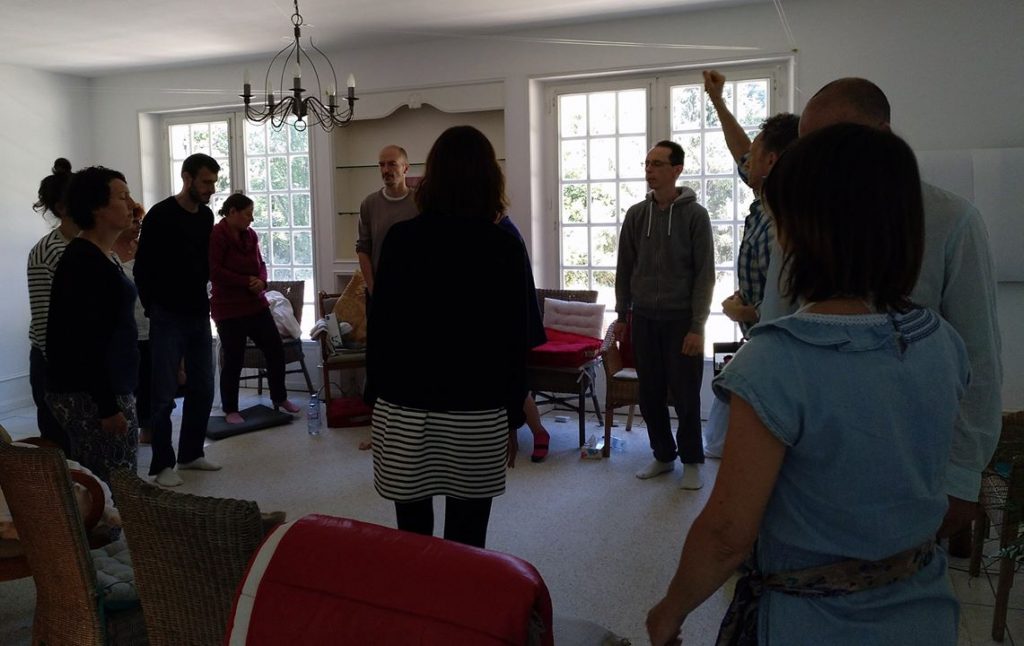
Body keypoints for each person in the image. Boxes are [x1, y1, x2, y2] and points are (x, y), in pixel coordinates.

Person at [647, 124, 969, 646]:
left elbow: (727, 534)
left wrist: (670, 611)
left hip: (815, 623)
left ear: (797, 231)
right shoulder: (940, 340)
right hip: (925, 611)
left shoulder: (776, 360)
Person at [758, 78, 1002, 540]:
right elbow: (775, 323)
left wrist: (962, 475)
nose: (819, 160)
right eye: (809, 146)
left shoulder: (952, 221)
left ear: (881, 137)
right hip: (812, 458)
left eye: (834, 141)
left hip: (913, 459)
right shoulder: (802, 222)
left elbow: (980, 359)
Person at [367, 125, 530, 549]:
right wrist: (514, 416)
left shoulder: (401, 240)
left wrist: (374, 403)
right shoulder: (504, 246)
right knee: (467, 541)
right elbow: (517, 344)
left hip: (405, 407)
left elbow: (381, 331)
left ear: (431, 177)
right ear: (490, 177)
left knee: (412, 538)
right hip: (477, 410)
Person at [701, 70, 799, 457]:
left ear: (771, 161)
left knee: (749, 450)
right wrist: (717, 101)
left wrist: (746, 312)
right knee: (723, 441)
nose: (745, 161)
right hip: (758, 342)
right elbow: (741, 149)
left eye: (755, 154)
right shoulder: (765, 201)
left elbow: (796, 304)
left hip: (777, 354)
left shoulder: (786, 223)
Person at [613, 140, 714, 489]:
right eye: (647, 163)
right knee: (650, 393)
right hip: (643, 318)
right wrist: (622, 314)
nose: (649, 170)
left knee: (686, 394)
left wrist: (698, 325)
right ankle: (663, 455)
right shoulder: (636, 215)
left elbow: (705, 274)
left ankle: (692, 461)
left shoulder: (695, 215)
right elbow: (625, 267)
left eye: (657, 164)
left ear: (677, 169)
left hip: (682, 320)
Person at [45, 166, 141, 485]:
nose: (131, 205)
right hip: (92, 394)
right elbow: (84, 341)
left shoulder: (100, 255)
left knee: (115, 479)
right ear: (97, 207)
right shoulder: (84, 262)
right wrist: (107, 406)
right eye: (122, 197)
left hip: (105, 388)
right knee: (114, 486)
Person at [134, 153, 221, 487]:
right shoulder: (160, 215)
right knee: (164, 394)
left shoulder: (206, 216)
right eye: (206, 182)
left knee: (203, 386)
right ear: (187, 178)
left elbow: (202, 264)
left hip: (198, 312)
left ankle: (190, 453)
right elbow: (143, 267)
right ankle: (162, 464)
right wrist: (152, 307)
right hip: (167, 314)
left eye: (213, 182)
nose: (211, 188)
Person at [210, 192, 300, 423]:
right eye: (248, 214)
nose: (252, 219)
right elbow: (214, 270)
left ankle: (279, 397)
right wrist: (245, 282)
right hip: (228, 309)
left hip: (255, 304)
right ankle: (231, 409)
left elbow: (261, 264)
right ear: (232, 212)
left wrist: (262, 282)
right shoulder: (217, 235)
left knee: (275, 349)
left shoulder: (251, 235)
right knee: (234, 358)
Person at [26, 158, 77, 453]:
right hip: (57, 363)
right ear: (63, 208)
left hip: (84, 360)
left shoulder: (93, 246)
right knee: (60, 443)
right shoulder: (47, 251)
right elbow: (44, 319)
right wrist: (62, 370)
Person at [495, 213, 552, 462]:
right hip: (508, 326)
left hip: (512, 327)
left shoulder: (506, 234)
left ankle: (538, 432)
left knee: (515, 384)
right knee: (512, 384)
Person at [113, 203, 154, 444]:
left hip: (147, 323)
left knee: (149, 380)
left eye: (139, 221)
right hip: (122, 329)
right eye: (133, 220)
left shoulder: (144, 249)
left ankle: (147, 427)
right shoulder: (107, 251)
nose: (137, 225)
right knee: (126, 380)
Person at [356, 144, 418, 296]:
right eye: (381, 165)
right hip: (382, 288)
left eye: (392, 164)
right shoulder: (369, 204)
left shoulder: (421, 202)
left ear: (405, 168)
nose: (385, 170)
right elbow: (363, 249)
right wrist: (373, 289)